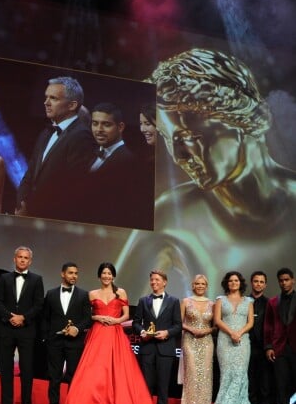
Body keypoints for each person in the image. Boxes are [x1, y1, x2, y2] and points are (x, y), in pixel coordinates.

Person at [116, 48, 296, 300]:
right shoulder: (170, 216)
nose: (178, 156)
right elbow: (115, 307)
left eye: (191, 137)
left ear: (240, 119)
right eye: (167, 139)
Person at [66, 262, 172, 404]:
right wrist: (98, 318)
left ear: (113, 276)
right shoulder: (92, 294)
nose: (107, 276)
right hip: (98, 334)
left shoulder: (120, 291)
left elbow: (126, 315)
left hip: (115, 334)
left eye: (110, 273)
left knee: (119, 372)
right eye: (104, 273)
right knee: (97, 372)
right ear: (99, 276)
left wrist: (116, 321)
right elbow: (87, 316)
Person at [208, 270, 296, 404]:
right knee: (230, 378)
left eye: (236, 280)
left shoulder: (256, 301)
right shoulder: (221, 300)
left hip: (247, 344)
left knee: (251, 381)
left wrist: (240, 333)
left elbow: (252, 323)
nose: (233, 283)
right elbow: (218, 320)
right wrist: (232, 333)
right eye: (231, 281)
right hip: (230, 343)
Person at [15, 76, 96, 223]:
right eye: (46, 97)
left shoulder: (82, 136)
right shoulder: (46, 133)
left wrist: (33, 209)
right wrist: (21, 204)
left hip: (52, 220)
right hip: (28, 215)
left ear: (72, 105)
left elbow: (71, 186)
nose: (46, 103)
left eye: (53, 98)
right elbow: (30, 174)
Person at [75, 102, 154, 229]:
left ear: (120, 127)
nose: (99, 130)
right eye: (95, 123)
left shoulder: (130, 163)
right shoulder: (89, 156)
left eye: (106, 124)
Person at [0, 246, 44, 404]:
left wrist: (23, 317)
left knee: (27, 371)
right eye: (20, 257)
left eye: (26, 258)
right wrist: (10, 318)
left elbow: (39, 305)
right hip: (6, 330)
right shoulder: (4, 278)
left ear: (30, 261)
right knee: (6, 371)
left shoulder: (37, 280)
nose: (23, 260)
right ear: (14, 259)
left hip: (26, 330)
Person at [40, 261, 91, 404]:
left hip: (74, 343)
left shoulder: (83, 295)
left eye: (76, 273)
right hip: (54, 342)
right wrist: (47, 337)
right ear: (63, 274)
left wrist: (77, 328)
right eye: (70, 273)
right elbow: (45, 318)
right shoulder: (51, 293)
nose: (74, 276)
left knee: (73, 379)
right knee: (54, 378)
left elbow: (87, 318)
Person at [132, 269, 182, 404]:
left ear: (164, 282)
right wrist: (142, 332)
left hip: (165, 348)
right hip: (147, 348)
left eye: (157, 280)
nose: (154, 282)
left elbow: (178, 325)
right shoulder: (142, 301)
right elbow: (135, 323)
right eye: (152, 280)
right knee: (146, 384)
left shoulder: (173, 301)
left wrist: (167, 332)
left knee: (163, 384)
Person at [176, 274, 216, 404]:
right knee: (192, 377)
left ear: (206, 286)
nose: (200, 286)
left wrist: (208, 330)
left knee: (205, 379)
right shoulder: (186, 302)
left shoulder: (212, 304)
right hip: (190, 342)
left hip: (206, 342)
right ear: (193, 285)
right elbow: (179, 322)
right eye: (197, 284)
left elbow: (216, 325)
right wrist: (191, 328)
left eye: (203, 284)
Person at [264, 268, 296, 404]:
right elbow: (268, 326)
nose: (284, 283)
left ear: (293, 280)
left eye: (287, 280)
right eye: (281, 280)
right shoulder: (273, 302)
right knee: (281, 387)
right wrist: (269, 347)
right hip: (280, 348)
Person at [248, 270, 275, 404]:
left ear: (265, 285)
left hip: (265, 350)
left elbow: (273, 326)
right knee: (250, 384)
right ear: (251, 283)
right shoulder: (244, 301)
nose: (258, 284)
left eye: (261, 282)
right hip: (246, 348)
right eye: (256, 281)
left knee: (265, 386)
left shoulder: (270, 303)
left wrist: (270, 346)